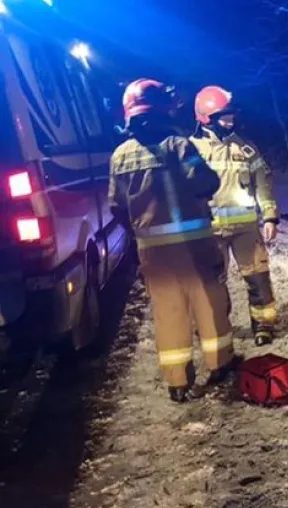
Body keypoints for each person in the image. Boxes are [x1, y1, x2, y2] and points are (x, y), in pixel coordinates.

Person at [109, 79, 234, 403]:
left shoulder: (120, 157)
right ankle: (219, 365)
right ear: (162, 109)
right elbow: (206, 182)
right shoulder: (179, 146)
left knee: (168, 311)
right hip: (193, 245)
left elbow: (117, 207)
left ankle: (177, 382)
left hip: (153, 253)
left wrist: (142, 231)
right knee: (208, 303)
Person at [191, 85, 279, 346]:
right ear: (206, 118)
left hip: (246, 229)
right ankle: (217, 328)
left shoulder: (246, 148)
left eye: (231, 116)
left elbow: (263, 180)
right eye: (224, 117)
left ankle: (264, 325)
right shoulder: (190, 150)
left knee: (258, 277)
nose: (231, 121)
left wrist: (271, 216)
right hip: (208, 231)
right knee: (213, 283)